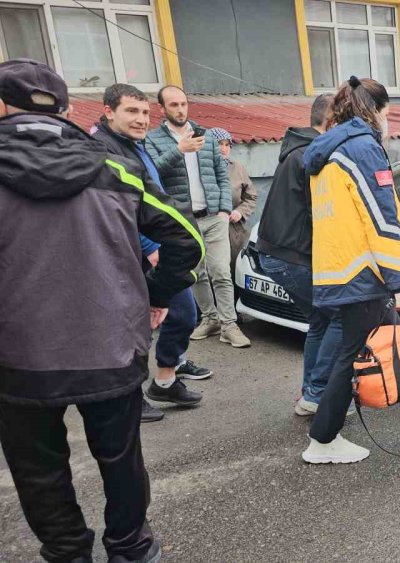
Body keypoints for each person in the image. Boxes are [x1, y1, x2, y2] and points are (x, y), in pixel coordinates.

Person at [0, 59, 203, 562]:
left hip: (16, 358)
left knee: (38, 469)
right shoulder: (117, 169)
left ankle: (68, 552)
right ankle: (130, 548)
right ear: (69, 110)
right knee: (120, 458)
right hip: (110, 344)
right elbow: (188, 240)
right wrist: (156, 294)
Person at [300, 77, 400, 464]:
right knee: (350, 355)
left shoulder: (329, 152)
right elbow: (382, 219)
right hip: (364, 275)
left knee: (375, 342)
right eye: (387, 114)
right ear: (376, 111)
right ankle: (322, 441)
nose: (388, 124)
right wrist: (398, 282)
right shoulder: (363, 150)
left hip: (341, 270)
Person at [93, 83, 209, 423]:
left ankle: (164, 381)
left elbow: (150, 200)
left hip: (159, 244)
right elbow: (123, 211)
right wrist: (152, 248)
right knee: (135, 326)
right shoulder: (103, 150)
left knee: (185, 314)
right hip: (133, 252)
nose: (141, 119)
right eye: (132, 111)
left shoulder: (133, 145)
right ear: (108, 111)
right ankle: (130, 395)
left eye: (144, 112)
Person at [145, 85, 251, 348]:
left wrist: (225, 209)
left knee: (221, 272)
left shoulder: (206, 136)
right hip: (182, 221)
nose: (180, 109)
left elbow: (221, 174)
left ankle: (229, 324)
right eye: (173, 105)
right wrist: (179, 150)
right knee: (196, 274)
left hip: (214, 216)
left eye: (183, 103)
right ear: (162, 108)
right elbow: (151, 174)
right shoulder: (152, 139)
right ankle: (210, 318)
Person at [256, 93, 341, 417]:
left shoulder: (297, 149)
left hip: (278, 253)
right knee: (338, 317)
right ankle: (318, 394)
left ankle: (311, 393)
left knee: (320, 319)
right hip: (293, 256)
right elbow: (319, 213)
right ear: (330, 120)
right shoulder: (312, 155)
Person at [207, 127, 257, 273]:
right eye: (219, 144)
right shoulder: (203, 168)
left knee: (233, 270)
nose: (223, 148)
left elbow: (251, 196)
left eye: (227, 144)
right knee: (211, 271)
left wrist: (240, 212)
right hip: (210, 227)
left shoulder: (238, 168)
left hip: (233, 230)